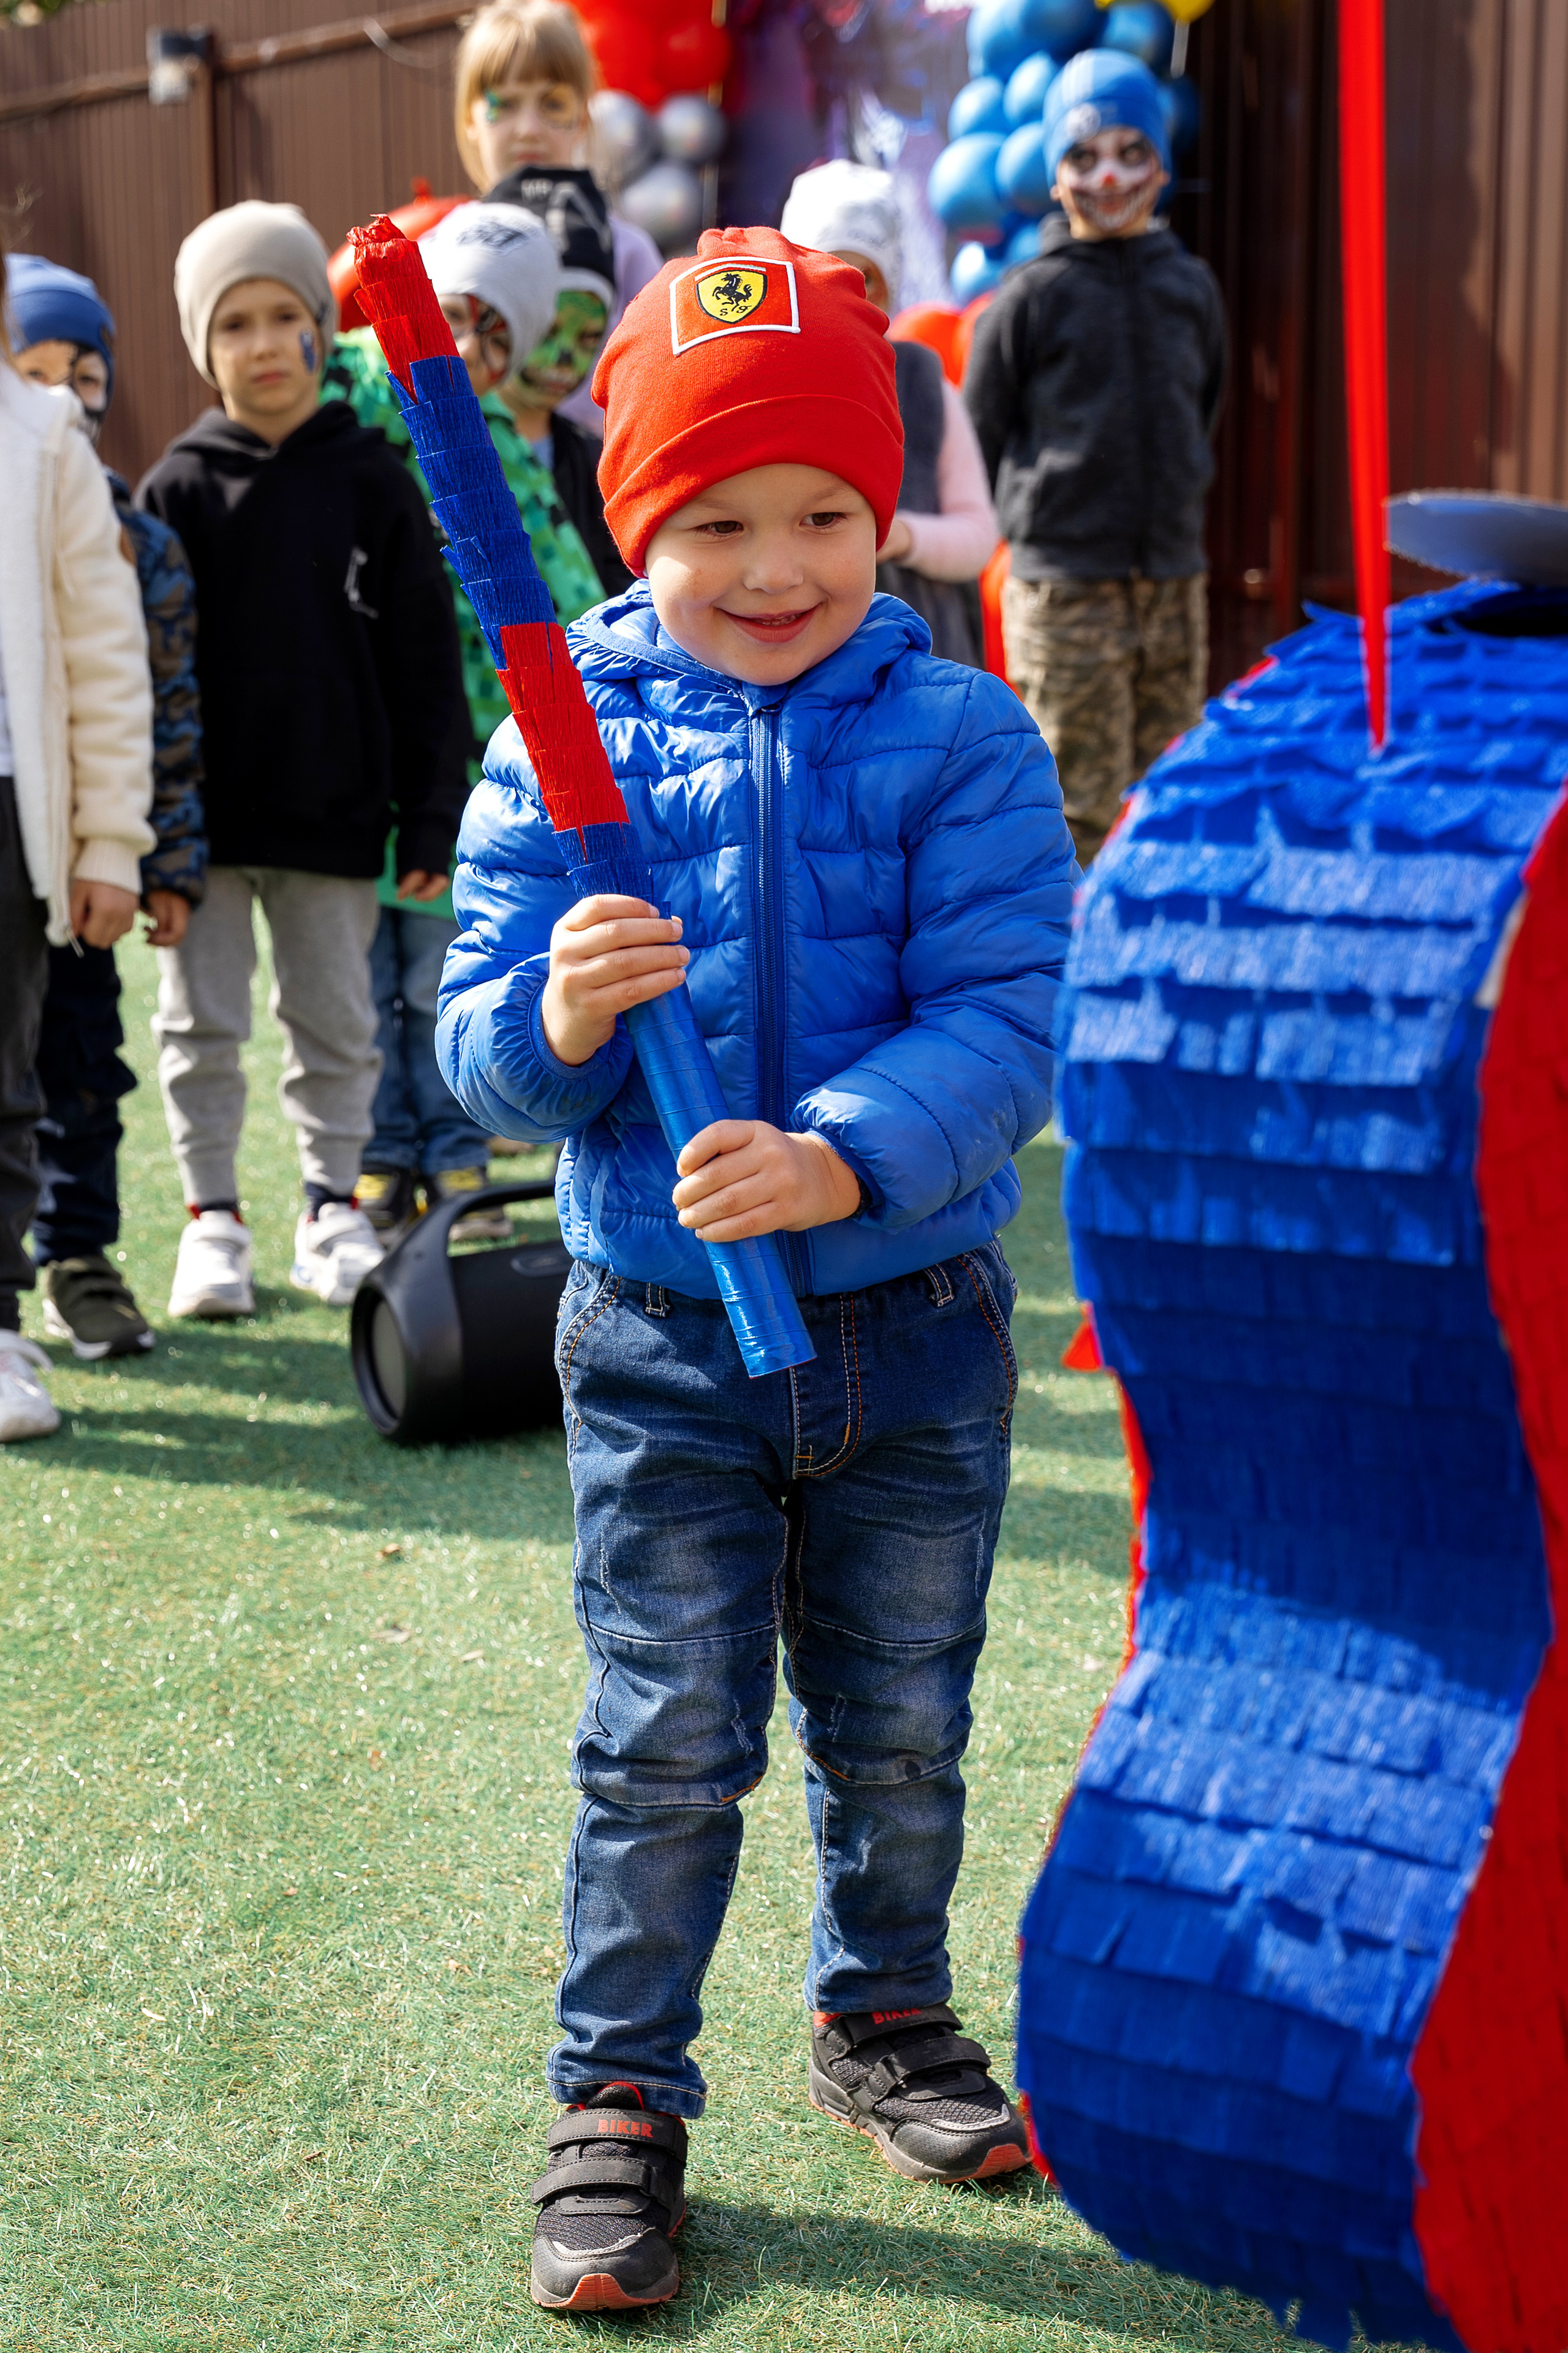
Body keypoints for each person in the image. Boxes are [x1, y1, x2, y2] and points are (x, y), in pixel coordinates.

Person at [436, 225, 1077, 2311]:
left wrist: (839, 1157)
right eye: (718, 520)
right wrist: (559, 1017)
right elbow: (481, 1067)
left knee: (900, 1718)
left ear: (883, 513)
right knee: (665, 1734)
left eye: (824, 513)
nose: (780, 562)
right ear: (643, 528)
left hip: (915, 1333)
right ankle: (618, 2091)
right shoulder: (561, 747)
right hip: (658, 1341)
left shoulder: (969, 738)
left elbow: (1008, 1019)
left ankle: (879, 2009)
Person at [137, 201, 466, 1317]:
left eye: (287, 316)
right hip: (204, 832)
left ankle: (332, 1204)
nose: (265, 344)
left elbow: (428, 666)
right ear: (202, 344)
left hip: (336, 822)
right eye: (236, 324)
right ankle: (211, 1219)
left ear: (323, 332)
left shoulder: (374, 478)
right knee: (200, 1025)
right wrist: (146, 834)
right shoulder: (174, 490)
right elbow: (135, 675)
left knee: (337, 1021)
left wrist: (431, 816)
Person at [323, 200, 603, 1240]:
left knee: (438, 960)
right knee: (355, 975)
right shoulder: (343, 404)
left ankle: (449, 1153)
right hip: (352, 736)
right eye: (459, 318)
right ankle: (374, 1153)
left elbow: (566, 593)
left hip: (460, 758)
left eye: (501, 336)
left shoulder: (497, 447)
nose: (474, 352)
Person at [9, 256, 208, 1360]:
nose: (59, 397)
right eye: (29, 371)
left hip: (87, 851)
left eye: (79, 373)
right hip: (11, 837)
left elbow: (161, 711)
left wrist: (159, 858)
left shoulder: (144, 542)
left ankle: (78, 1255)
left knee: (83, 1063)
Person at [964, 50, 1227, 864]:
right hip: (1066, 586)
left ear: (1161, 164)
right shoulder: (1030, 295)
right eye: (1083, 157)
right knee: (1073, 802)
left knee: (1171, 787)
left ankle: (1148, 961)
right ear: (1054, 176)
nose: (1108, 177)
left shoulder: (1191, 287)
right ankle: (1065, 982)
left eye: (1130, 152)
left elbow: (1204, 407)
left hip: (1172, 580)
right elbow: (982, 432)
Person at [0, 245, 154, 1441]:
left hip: (13, 808)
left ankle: (2, 1323)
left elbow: (104, 655)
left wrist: (109, 837)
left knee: (14, 1076)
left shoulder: (44, 432)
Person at [781, 160, 999, 665]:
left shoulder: (923, 384)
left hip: (920, 651)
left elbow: (978, 536)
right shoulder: (769, 385)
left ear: (890, 286)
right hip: (804, 649)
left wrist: (903, 537)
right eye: (826, 277)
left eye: (866, 280)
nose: (847, 301)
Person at [452, 0, 662, 443]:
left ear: (582, 116)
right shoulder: (446, 247)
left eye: (553, 104)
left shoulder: (627, 252)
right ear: (471, 119)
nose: (528, 128)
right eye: (503, 105)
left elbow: (657, 382)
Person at [479, 166, 631, 597]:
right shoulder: (448, 445)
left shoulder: (595, 464)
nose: (565, 359)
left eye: (587, 337)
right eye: (548, 331)